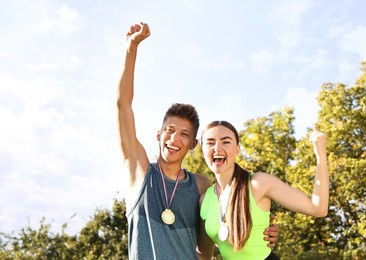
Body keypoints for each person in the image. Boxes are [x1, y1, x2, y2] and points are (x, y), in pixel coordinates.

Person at [117, 22, 279, 260]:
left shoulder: (202, 186)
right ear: (159, 134)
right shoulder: (139, 171)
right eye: (169, 130)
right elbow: (123, 105)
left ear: (193, 144)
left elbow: (208, 250)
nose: (174, 139)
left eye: (184, 134)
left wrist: (266, 231)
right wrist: (131, 48)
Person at [198, 121, 329, 259]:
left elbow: (318, 208)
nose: (217, 148)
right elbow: (204, 254)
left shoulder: (258, 183)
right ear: (203, 150)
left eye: (226, 142)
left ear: (237, 149)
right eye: (210, 142)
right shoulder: (204, 201)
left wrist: (320, 154)